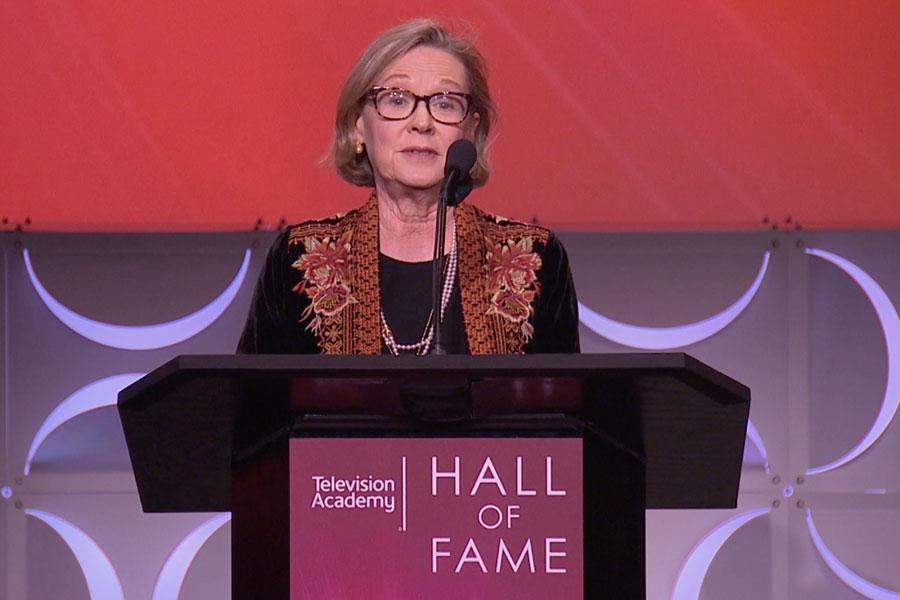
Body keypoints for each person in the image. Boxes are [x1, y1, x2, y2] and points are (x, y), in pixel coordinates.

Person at [237, 19, 579, 355]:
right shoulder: (296, 257)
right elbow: (252, 393)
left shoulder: (536, 258)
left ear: (471, 130)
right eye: (397, 99)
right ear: (358, 125)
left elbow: (566, 392)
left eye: (445, 103)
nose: (422, 122)